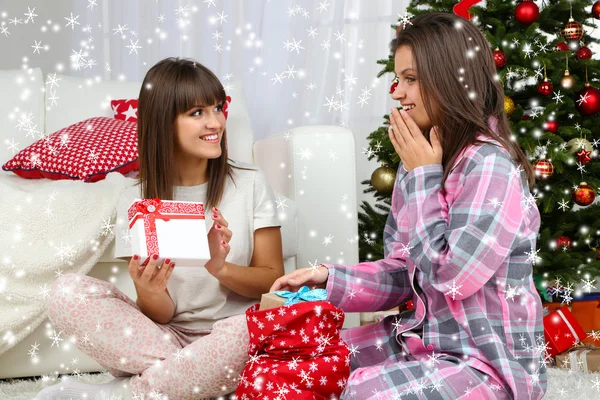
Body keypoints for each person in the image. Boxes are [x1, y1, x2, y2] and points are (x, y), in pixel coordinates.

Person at [271, 12, 546, 400]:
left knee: (361, 394)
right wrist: (328, 279)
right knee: (299, 368)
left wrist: (423, 176)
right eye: (398, 79)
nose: (397, 92)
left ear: (452, 79)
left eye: (411, 79)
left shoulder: (489, 166)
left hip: (487, 365)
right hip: (419, 340)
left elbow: (453, 278)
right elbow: (407, 273)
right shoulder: (419, 161)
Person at [38, 57, 284, 400]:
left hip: (232, 334)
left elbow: (274, 280)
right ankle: (183, 381)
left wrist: (221, 268)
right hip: (164, 337)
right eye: (197, 113)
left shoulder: (250, 183)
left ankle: (122, 393)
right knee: (65, 293)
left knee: (252, 330)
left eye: (217, 108)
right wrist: (150, 290)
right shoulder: (135, 199)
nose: (215, 122)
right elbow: (162, 314)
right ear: (164, 123)